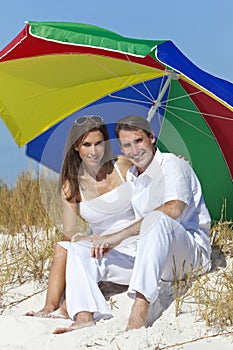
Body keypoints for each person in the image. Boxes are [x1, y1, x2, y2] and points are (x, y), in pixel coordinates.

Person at [52, 115, 211, 334]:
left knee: (157, 219)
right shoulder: (135, 177)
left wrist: (117, 236)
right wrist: (97, 239)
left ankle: (140, 308)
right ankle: (84, 316)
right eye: (127, 145)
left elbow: (173, 210)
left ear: (152, 138)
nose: (134, 150)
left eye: (139, 141)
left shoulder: (172, 164)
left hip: (188, 255)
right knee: (81, 250)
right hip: (151, 258)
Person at [25, 114, 137, 320]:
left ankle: (69, 308)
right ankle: (49, 307)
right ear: (76, 146)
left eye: (99, 143)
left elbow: (152, 161)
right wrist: (81, 238)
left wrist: (175, 161)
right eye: (87, 144)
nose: (94, 151)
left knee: (85, 251)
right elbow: (69, 232)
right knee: (62, 246)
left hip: (132, 248)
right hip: (101, 247)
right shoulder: (72, 183)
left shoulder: (122, 165)